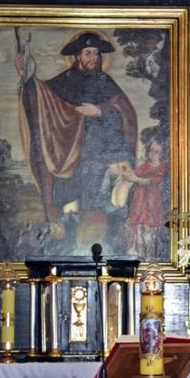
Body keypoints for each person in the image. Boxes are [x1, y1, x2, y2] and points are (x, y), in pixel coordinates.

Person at [17, 30, 138, 251]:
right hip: (70, 153)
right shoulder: (65, 81)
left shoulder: (105, 82)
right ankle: (63, 240)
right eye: (88, 53)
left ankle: (100, 241)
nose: (93, 58)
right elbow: (43, 97)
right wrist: (27, 78)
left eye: (96, 53)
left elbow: (126, 114)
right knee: (67, 200)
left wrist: (100, 111)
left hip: (101, 152)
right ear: (77, 56)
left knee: (97, 196)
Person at [123, 138, 167, 259]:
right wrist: (127, 173)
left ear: (161, 153)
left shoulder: (162, 167)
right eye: (151, 150)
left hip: (152, 201)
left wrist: (136, 179)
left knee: (149, 227)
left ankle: (150, 255)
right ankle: (139, 252)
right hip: (140, 200)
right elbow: (134, 173)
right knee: (138, 225)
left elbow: (153, 180)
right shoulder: (145, 165)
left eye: (156, 151)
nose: (153, 153)